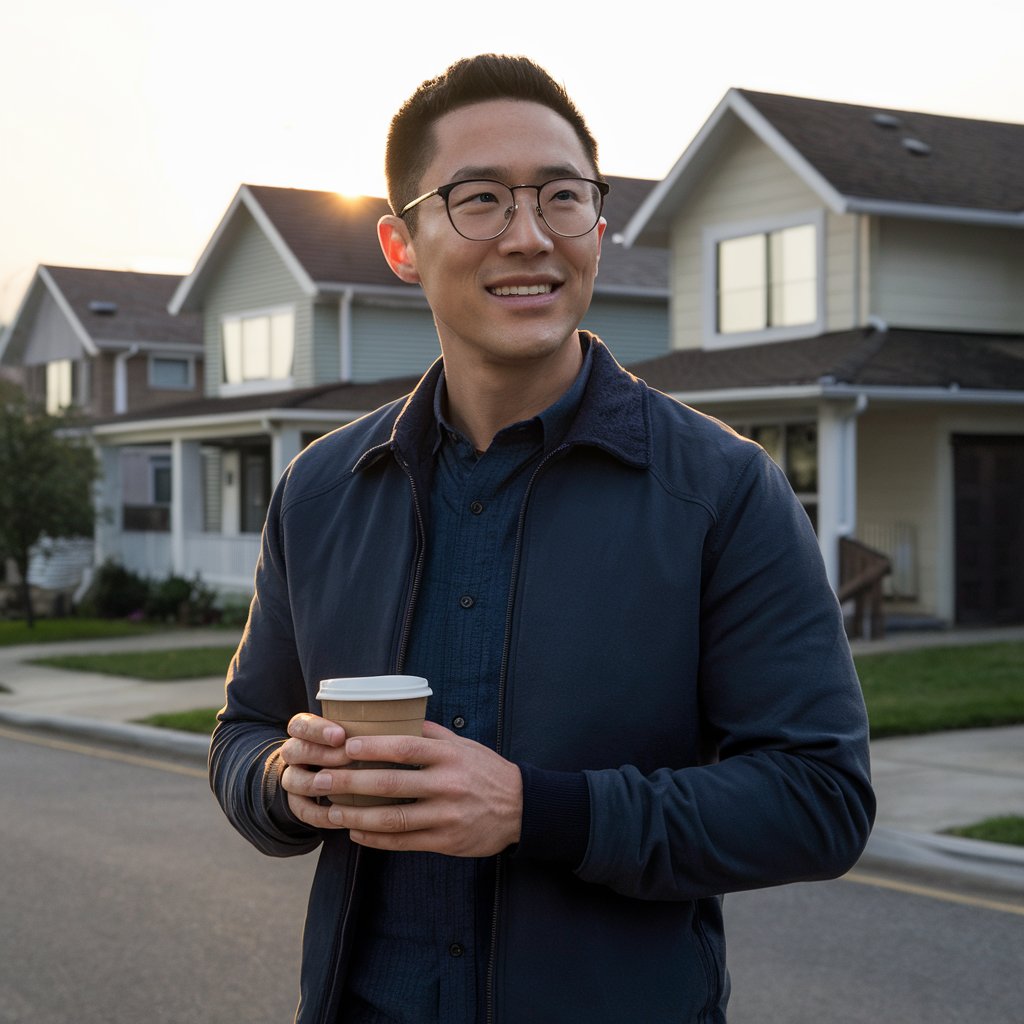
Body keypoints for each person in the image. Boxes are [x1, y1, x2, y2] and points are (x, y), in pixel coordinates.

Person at [210, 54, 875, 1024]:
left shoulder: (724, 490)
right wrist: (282, 780)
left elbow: (819, 799)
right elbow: (241, 735)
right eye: (478, 199)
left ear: (597, 227)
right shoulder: (319, 490)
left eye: (561, 197)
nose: (529, 237)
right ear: (400, 242)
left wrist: (538, 810)